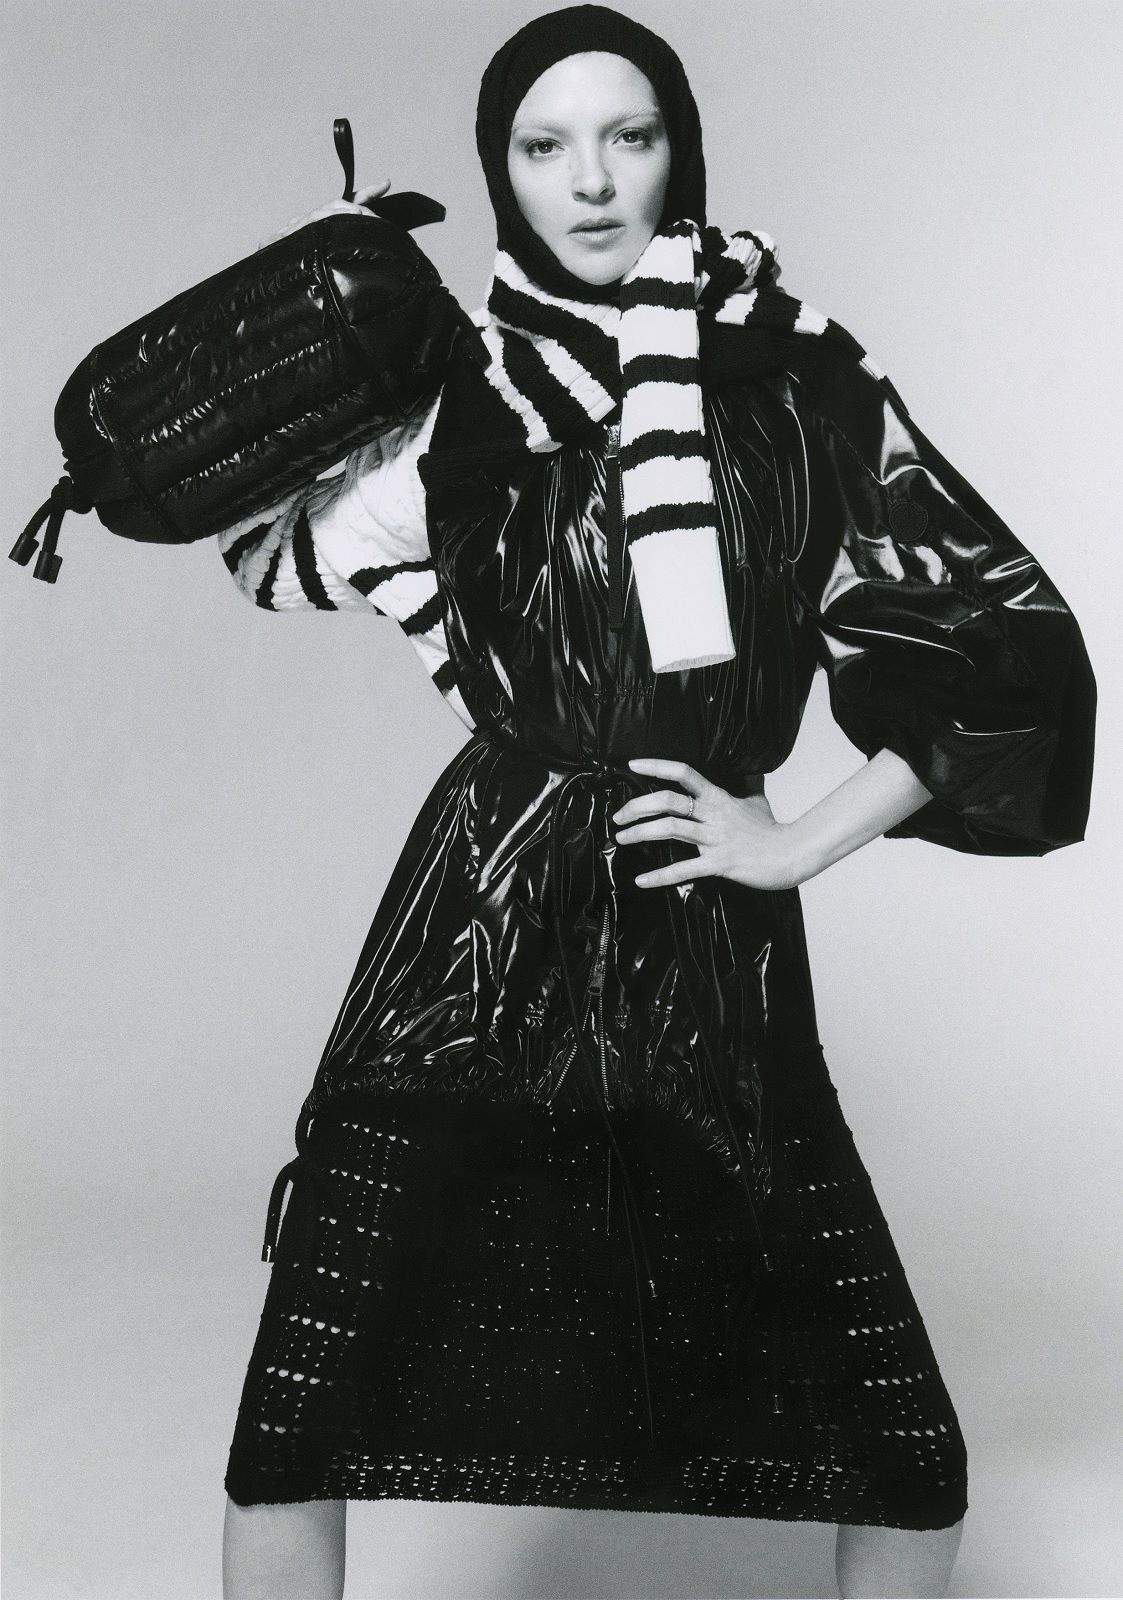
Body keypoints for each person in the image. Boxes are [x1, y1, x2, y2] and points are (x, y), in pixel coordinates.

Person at [217, 7, 1096, 1598]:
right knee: (300, 1415)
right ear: (498, 170)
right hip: (475, 921)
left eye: (629, 137)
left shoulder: (795, 380)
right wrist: (300, 338)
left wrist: (794, 841)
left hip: (702, 928)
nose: (591, 182)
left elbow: (1006, 656)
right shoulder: (459, 391)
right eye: (543, 146)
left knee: (903, 1455)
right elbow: (259, 528)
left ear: (681, 152)